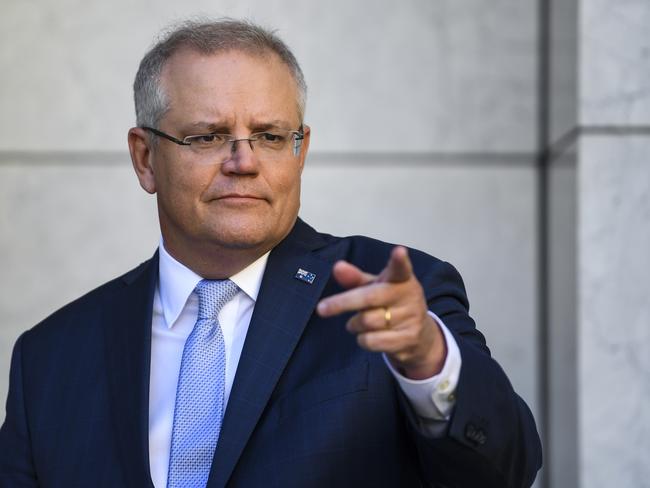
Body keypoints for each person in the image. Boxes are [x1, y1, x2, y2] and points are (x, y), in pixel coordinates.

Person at [0, 18, 542, 488]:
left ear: (300, 150)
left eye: (270, 136)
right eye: (208, 137)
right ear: (145, 159)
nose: (244, 161)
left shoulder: (390, 298)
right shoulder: (49, 358)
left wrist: (429, 362)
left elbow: (507, 470)